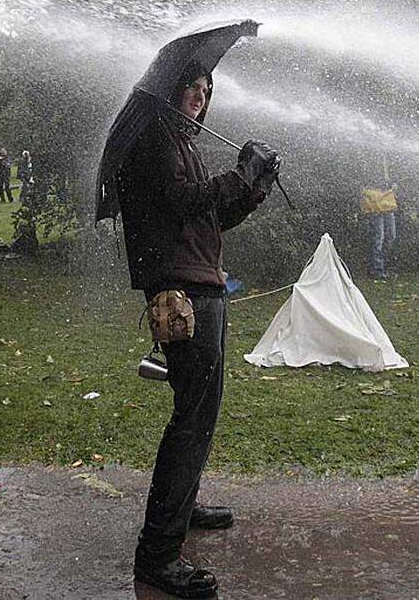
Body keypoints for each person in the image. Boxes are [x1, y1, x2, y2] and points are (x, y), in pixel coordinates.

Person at [118, 62, 279, 599]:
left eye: (206, 87)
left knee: (198, 410)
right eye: (191, 85)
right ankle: (158, 555)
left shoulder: (179, 140)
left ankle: (180, 509)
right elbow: (183, 202)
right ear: (169, 89)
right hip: (182, 293)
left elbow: (204, 218)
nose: (200, 93)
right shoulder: (155, 140)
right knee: (191, 417)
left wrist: (252, 189)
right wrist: (237, 175)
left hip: (201, 286)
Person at [360, 153, 397, 279]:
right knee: (378, 238)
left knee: (391, 236)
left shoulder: (388, 158)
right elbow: (362, 181)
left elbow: (392, 177)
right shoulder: (367, 158)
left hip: (386, 199)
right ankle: (377, 270)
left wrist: (393, 184)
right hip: (373, 200)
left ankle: (381, 266)